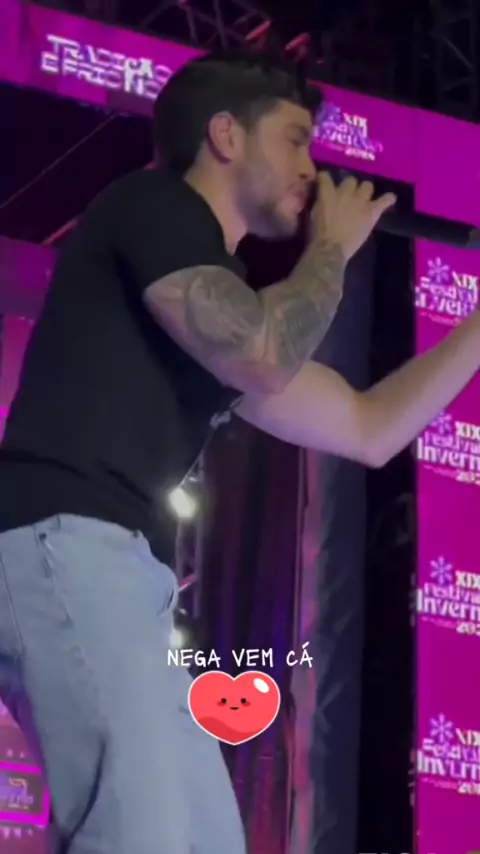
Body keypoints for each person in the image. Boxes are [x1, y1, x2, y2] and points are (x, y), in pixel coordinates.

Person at [0, 50, 478, 854]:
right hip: (64, 537)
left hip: (121, 573)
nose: (311, 169)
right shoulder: (153, 205)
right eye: (294, 140)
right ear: (225, 135)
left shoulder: (216, 310)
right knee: (143, 835)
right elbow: (261, 353)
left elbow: (368, 428)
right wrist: (331, 250)